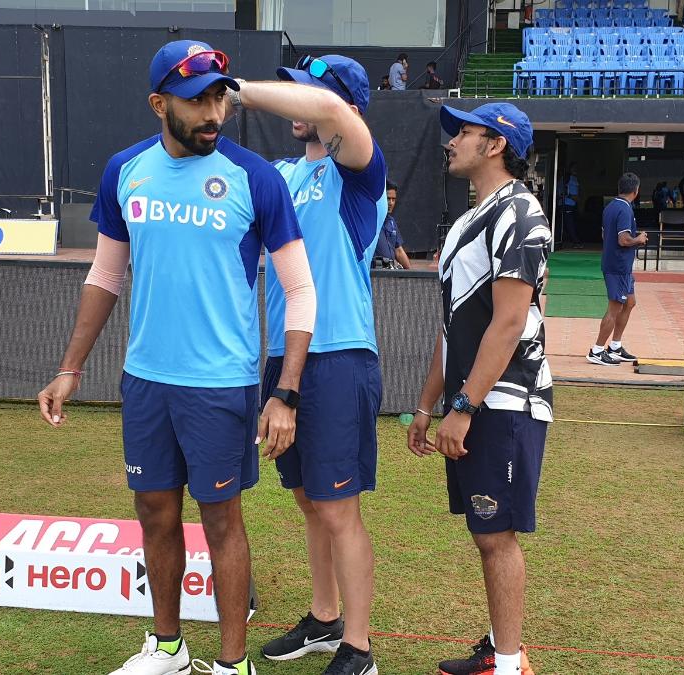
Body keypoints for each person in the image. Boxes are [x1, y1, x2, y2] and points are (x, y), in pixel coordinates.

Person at [36, 40, 316, 675]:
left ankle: (232, 663)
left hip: (221, 383)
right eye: (197, 101)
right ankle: (166, 648)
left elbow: (300, 292)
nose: (213, 112)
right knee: (154, 513)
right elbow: (105, 278)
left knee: (221, 522)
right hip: (146, 382)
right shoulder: (125, 171)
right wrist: (70, 367)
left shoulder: (256, 177)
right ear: (159, 104)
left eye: (220, 96)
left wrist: (286, 391)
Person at [233, 53, 386, 675]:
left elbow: (328, 112)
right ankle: (324, 620)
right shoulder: (283, 175)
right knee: (308, 501)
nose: (297, 103)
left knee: (338, 507)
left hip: (340, 358)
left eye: (308, 93)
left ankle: (359, 647)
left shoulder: (360, 176)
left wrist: (233, 90)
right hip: (285, 356)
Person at [407, 102, 548, 675]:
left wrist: (465, 404)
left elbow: (510, 322)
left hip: (504, 399)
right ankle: (499, 648)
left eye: (463, 132)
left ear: (495, 145)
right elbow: (453, 326)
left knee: (497, 534)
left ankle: (509, 666)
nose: (452, 141)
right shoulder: (470, 220)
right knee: (484, 529)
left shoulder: (521, 211)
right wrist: (425, 405)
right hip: (470, 401)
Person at [588, 173, 648, 366]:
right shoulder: (624, 210)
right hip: (618, 266)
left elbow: (606, 236)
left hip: (619, 264)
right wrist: (638, 239)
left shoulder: (611, 206)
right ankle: (596, 350)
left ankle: (615, 346)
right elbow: (623, 239)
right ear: (635, 191)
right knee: (615, 307)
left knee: (630, 302)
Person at [375, 181, 412, 269]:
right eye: (388, 199)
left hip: (389, 272)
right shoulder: (370, 221)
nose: (391, 203)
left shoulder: (391, 222)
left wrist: (412, 274)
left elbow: (399, 251)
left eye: (393, 199)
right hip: (374, 273)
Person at [560, 166, 581, 248]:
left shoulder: (575, 179)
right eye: (573, 168)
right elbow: (562, 191)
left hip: (573, 204)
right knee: (569, 224)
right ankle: (576, 242)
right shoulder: (567, 178)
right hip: (567, 204)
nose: (575, 170)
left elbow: (577, 192)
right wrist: (571, 196)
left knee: (572, 223)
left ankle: (574, 241)